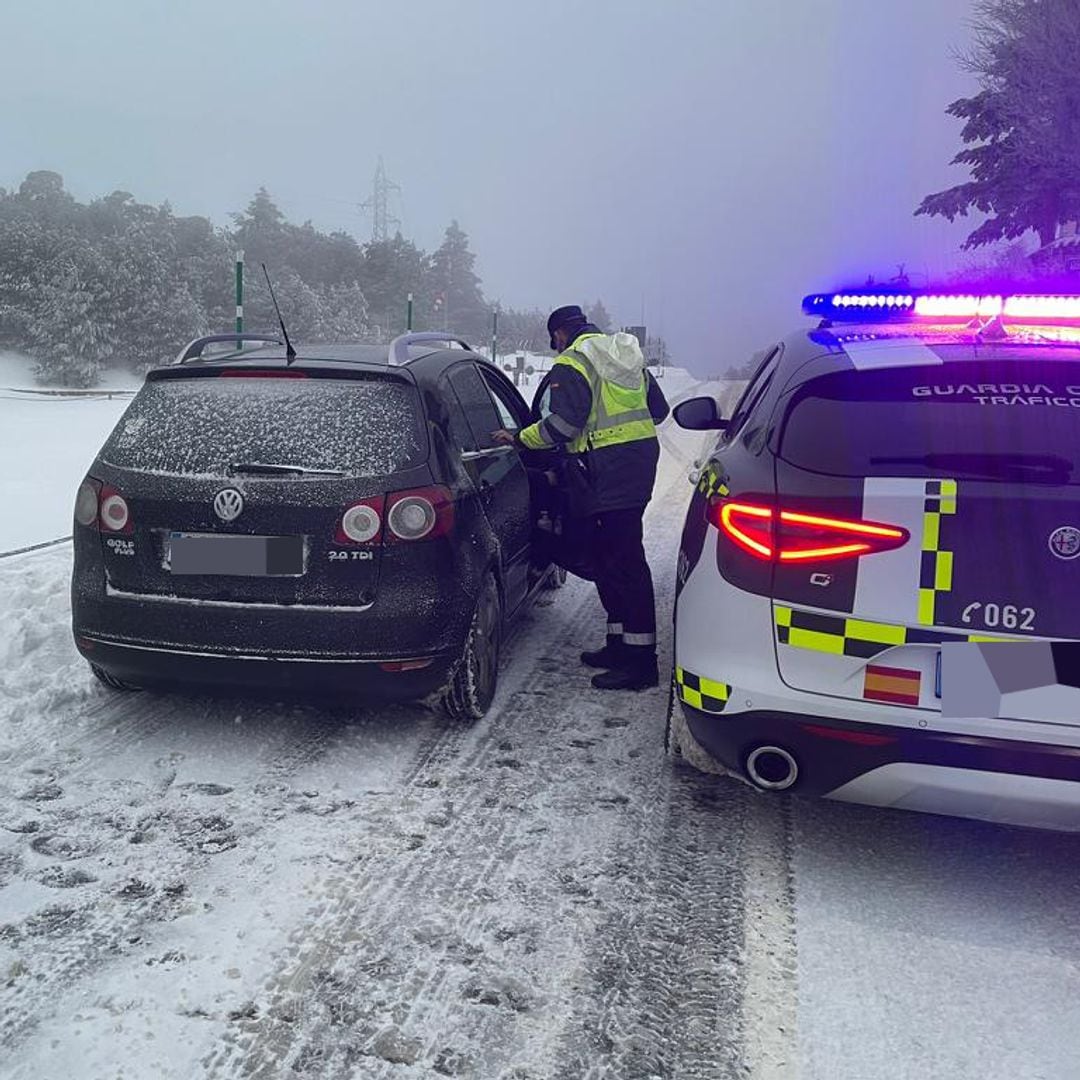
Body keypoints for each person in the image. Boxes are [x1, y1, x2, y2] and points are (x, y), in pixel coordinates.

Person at [495, 305, 669, 690]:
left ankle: (641, 664)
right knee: (610, 558)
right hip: (636, 466)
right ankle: (619, 645)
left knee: (625, 563)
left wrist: (521, 438)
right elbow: (658, 410)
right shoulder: (621, 353)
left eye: (553, 339)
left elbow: (562, 425)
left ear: (559, 334)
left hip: (605, 472)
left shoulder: (572, 362)